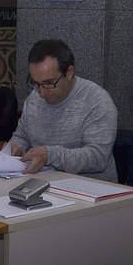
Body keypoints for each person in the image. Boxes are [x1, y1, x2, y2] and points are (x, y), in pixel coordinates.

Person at [10, 39, 118, 182]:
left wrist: (51, 155)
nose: (41, 92)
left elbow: (97, 158)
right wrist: (15, 147)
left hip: (90, 189)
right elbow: (22, 135)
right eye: (36, 83)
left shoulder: (97, 101)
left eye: (49, 83)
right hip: (43, 182)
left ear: (69, 73)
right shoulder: (34, 97)